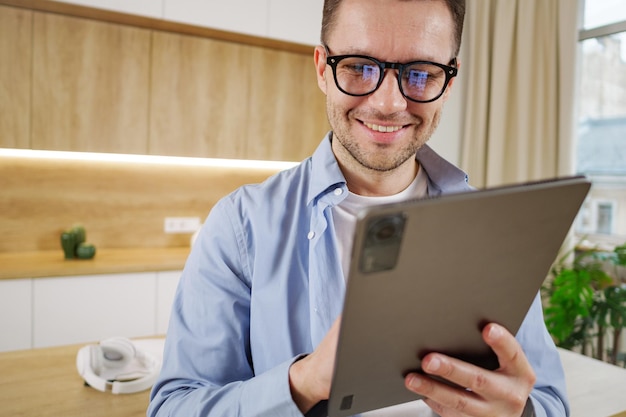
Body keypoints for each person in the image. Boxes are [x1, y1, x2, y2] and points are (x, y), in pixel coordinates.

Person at [148, 0, 570, 416]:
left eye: (420, 73)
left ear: (450, 81)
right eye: (358, 67)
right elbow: (173, 408)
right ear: (322, 68)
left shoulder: (491, 230)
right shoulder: (241, 225)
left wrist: (521, 414)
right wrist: (304, 383)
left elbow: (550, 401)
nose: (388, 103)